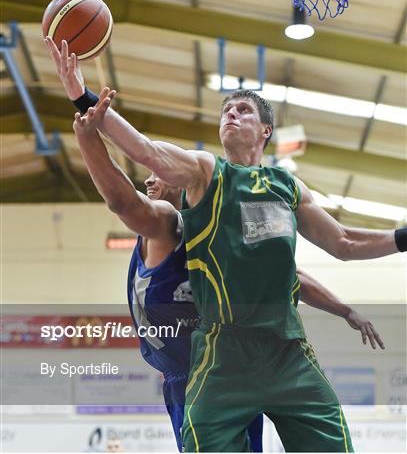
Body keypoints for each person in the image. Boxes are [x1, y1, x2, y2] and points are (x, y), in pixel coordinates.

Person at [46, 38, 404, 452]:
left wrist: (396, 245)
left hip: (287, 349)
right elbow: (144, 150)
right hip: (221, 353)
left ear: (265, 131)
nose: (231, 114)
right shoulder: (204, 172)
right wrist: (81, 95)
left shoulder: (288, 187)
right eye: (226, 110)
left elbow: (342, 242)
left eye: (243, 109)